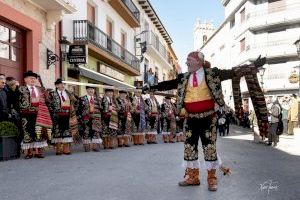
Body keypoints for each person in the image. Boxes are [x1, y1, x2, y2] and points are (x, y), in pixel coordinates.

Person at [146, 51, 268, 191]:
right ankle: (193, 177)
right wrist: (151, 87)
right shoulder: (183, 77)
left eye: (189, 60)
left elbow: (232, 72)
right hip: (190, 119)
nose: (187, 62)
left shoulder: (212, 74)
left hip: (208, 118)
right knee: (189, 149)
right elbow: (168, 84)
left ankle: (211, 179)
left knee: (209, 148)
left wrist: (252, 66)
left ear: (199, 61)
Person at [19, 71, 49, 159]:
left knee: (39, 132)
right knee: (27, 132)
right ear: (25, 79)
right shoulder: (21, 89)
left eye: (34, 78)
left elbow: (46, 101)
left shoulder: (40, 89)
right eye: (30, 78)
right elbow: (17, 102)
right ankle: (28, 152)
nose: (33, 79)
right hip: (26, 114)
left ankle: (38, 151)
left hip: (40, 114)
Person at [48, 79, 78, 155]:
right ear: (56, 85)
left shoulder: (68, 93)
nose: (62, 86)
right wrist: (53, 113)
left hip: (68, 115)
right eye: (60, 84)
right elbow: (49, 104)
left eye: (64, 84)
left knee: (67, 132)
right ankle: (58, 149)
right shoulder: (52, 94)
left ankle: (66, 149)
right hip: (57, 116)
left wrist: (73, 111)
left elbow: (75, 102)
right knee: (57, 132)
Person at [77, 86, 102, 152]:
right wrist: (80, 118)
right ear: (86, 90)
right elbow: (79, 109)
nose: (90, 91)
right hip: (86, 117)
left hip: (96, 118)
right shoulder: (82, 98)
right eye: (89, 89)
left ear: (94, 90)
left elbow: (101, 108)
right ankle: (87, 146)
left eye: (92, 89)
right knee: (86, 132)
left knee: (96, 132)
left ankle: (95, 146)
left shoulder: (98, 99)